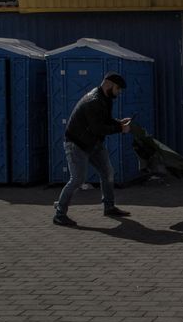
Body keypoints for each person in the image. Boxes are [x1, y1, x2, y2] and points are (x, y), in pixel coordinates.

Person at [53, 72, 132, 226]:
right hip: (76, 144)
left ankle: (109, 207)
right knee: (77, 179)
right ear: (108, 84)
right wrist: (120, 129)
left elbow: (105, 121)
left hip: (93, 142)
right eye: (118, 88)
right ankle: (59, 214)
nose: (119, 92)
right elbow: (98, 128)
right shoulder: (93, 101)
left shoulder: (106, 98)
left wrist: (118, 123)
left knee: (108, 173)